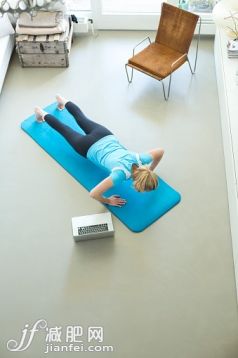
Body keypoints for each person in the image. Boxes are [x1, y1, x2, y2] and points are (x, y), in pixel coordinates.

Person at [35, 95, 164, 207]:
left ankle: (61, 99)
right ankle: (40, 112)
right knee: (63, 129)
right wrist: (108, 201)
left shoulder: (141, 159)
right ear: (137, 183)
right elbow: (94, 194)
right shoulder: (120, 175)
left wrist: (151, 168)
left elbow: (160, 151)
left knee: (81, 117)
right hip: (87, 147)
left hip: (104, 135)